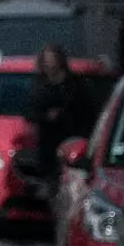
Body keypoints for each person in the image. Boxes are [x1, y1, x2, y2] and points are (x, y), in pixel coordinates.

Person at [26, 43, 88, 184]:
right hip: (48, 142)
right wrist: (45, 116)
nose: (50, 63)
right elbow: (30, 112)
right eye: (47, 59)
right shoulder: (39, 85)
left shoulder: (73, 83)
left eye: (53, 59)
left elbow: (84, 108)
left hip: (72, 136)